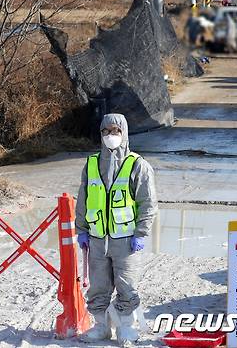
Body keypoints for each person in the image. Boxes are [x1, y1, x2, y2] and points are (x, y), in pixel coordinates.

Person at [75, 114, 158, 346]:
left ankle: (126, 328)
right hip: (97, 239)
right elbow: (83, 199)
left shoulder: (137, 165)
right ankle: (101, 326)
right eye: (105, 131)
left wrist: (141, 233)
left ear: (124, 133)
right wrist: (81, 229)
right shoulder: (91, 164)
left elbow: (148, 203)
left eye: (115, 131)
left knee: (126, 285)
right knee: (98, 287)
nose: (110, 136)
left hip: (126, 241)